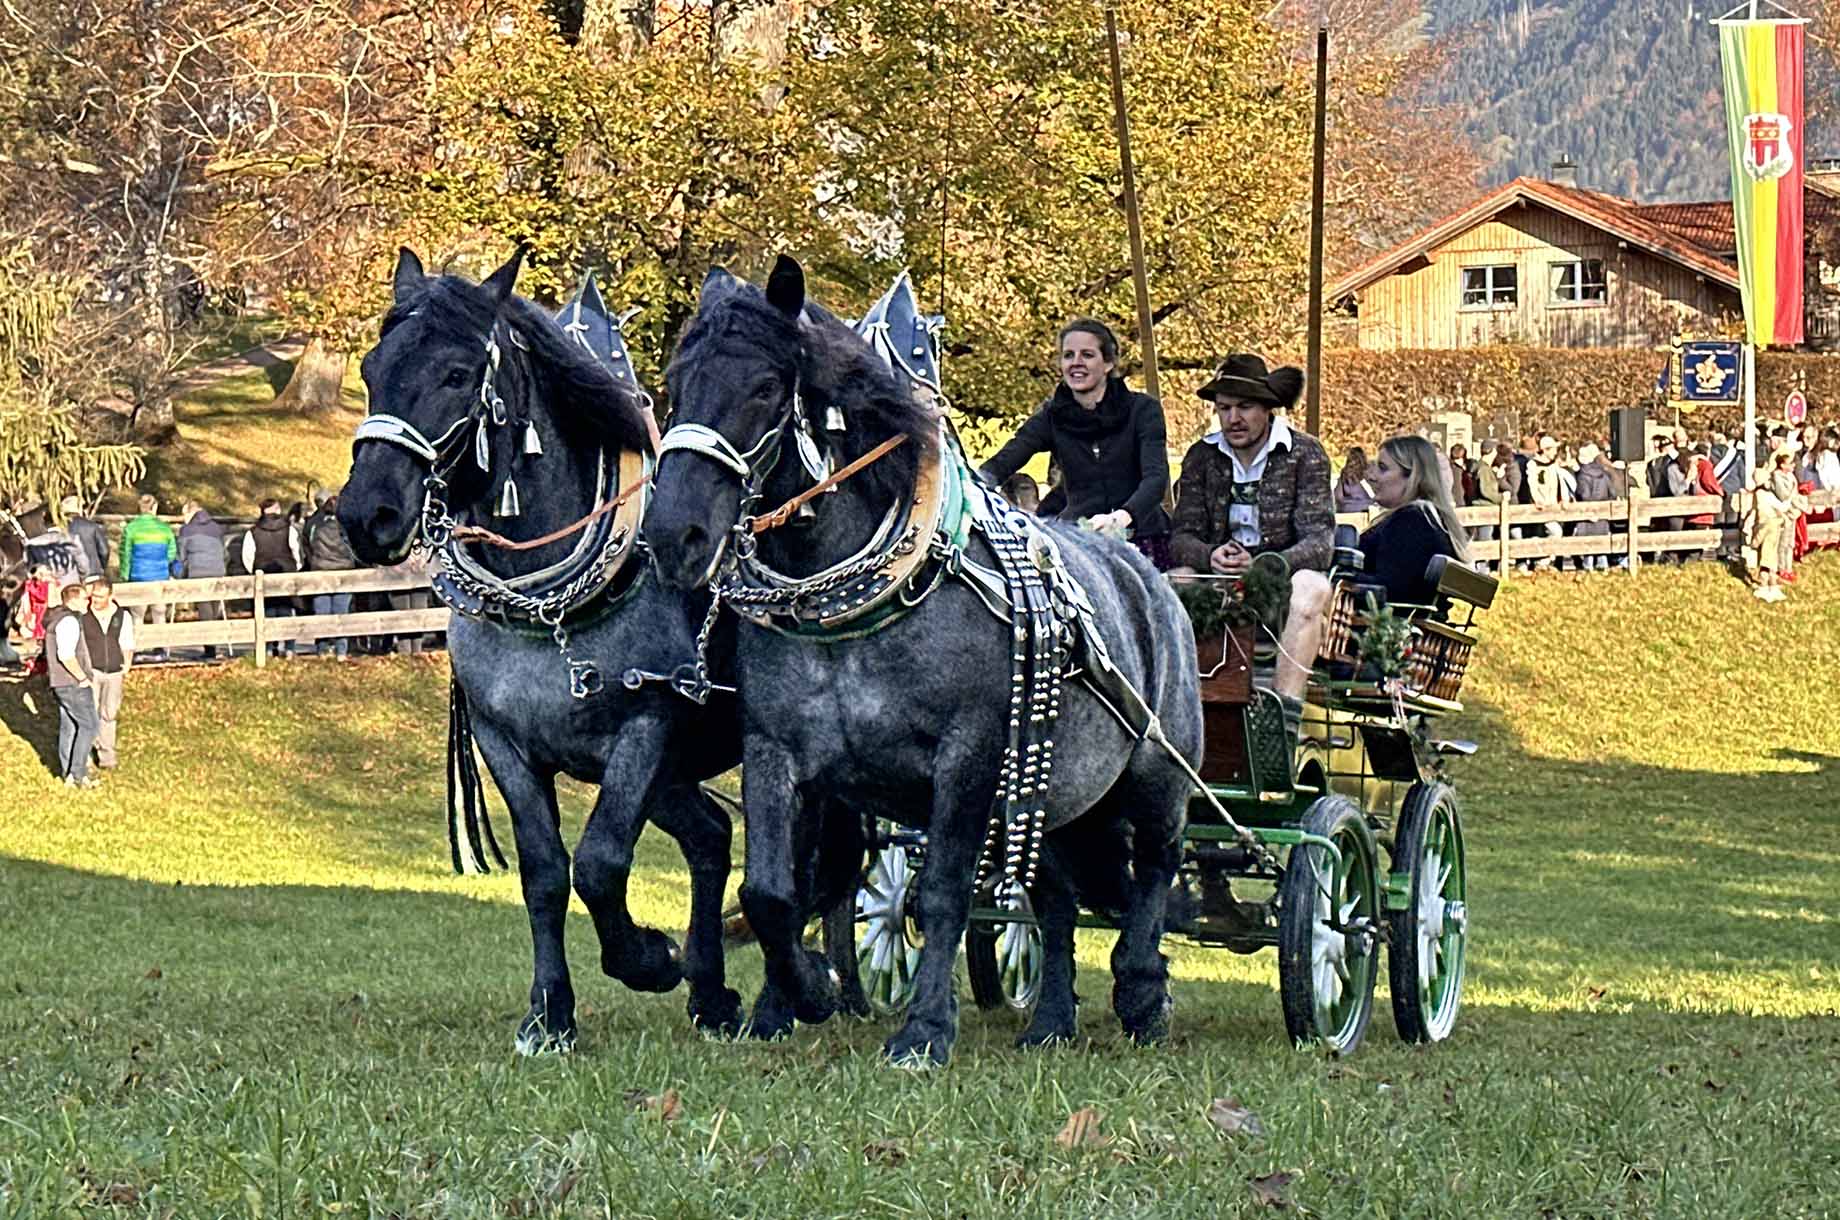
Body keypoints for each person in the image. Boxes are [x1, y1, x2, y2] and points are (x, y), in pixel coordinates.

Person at [1169, 353, 1335, 716]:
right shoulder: (1202, 456)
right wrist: (1209, 555)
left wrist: (1264, 563)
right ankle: (1184, 705)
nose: (1233, 419)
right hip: (1218, 580)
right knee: (1173, 581)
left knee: (1313, 587)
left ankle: (1281, 712)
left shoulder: (1304, 454)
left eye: (1244, 407)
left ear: (1267, 409)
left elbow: (1319, 542)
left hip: (1282, 584)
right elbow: (1182, 536)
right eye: (1224, 408)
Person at [978, 318, 1173, 568]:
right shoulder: (1051, 415)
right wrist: (970, 483)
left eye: (1087, 355)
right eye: (1068, 355)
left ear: (1108, 363)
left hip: (1143, 535)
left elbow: (1155, 479)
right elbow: (1005, 460)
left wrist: (1122, 518)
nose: (1076, 363)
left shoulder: (1143, 409)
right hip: (1079, 541)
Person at [1354, 436, 1470, 606]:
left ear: (1413, 476)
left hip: (1384, 627)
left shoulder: (1412, 522)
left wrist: (1335, 575)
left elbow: (1392, 590)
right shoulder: (1427, 520)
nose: (1372, 476)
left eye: (1383, 468)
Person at [43, 581, 101, 787]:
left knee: (70, 727)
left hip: (60, 682)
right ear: (74, 600)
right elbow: (66, 655)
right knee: (90, 725)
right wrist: (82, 678)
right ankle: (77, 774)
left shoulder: (57, 618)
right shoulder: (69, 622)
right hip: (71, 683)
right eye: (85, 598)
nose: (89, 601)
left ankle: (68, 772)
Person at [81, 579, 134, 770]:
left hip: (114, 670)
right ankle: (85, 756)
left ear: (110, 597)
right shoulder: (84, 615)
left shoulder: (122, 616)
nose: (95, 600)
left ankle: (107, 757)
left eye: (100, 597)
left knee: (109, 714)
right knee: (88, 713)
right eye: (93, 596)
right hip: (92, 671)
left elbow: (127, 641)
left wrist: (126, 664)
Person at [303, 487, 361, 659]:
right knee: (341, 612)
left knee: (321, 611)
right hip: (344, 571)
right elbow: (355, 545)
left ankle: (322, 649)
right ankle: (341, 650)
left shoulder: (314, 523)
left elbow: (306, 543)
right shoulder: (348, 522)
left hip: (320, 570)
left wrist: (312, 560)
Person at [242, 498, 302, 656]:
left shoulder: (253, 531)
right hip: (286, 572)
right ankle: (289, 648)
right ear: (277, 509)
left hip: (263, 574)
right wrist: (296, 568)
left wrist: (254, 572)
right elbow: (297, 551)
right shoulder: (289, 529)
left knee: (267, 612)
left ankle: (268, 647)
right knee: (286, 611)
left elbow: (247, 556)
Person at [120, 493, 177, 659]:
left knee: (137, 615)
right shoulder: (164, 528)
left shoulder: (131, 528)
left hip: (138, 576)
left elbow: (125, 554)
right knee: (159, 613)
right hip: (159, 577)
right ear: (155, 507)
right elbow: (171, 554)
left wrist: (125, 575)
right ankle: (160, 648)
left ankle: (137, 649)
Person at [177, 499, 228, 659]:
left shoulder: (187, 530)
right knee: (213, 608)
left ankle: (210, 649)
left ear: (190, 512)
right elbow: (224, 552)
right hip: (218, 570)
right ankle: (214, 645)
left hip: (199, 572)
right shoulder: (216, 527)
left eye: (184, 514)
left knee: (205, 610)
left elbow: (181, 555)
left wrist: (179, 574)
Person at [1525, 435, 1574, 571]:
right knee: (1554, 532)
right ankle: (1543, 561)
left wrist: (1565, 498)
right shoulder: (1533, 465)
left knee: (1547, 533)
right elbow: (1532, 485)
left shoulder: (1554, 465)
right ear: (1545, 450)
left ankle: (1544, 562)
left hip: (1555, 506)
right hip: (1542, 507)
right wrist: (1537, 500)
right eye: (1552, 449)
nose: (1555, 452)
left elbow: (1561, 483)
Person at [1571, 442, 1617, 571]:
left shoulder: (1582, 475)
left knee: (1588, 546)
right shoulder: (1604, 473)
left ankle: (1588, 569)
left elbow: (1584, 494)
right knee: (1601, 545)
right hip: (1603, 513)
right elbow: (1612, 493)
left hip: (1587, 515)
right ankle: (1603, 568)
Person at [60, 495, 110, 580]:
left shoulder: (60, 528)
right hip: (93, 572)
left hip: (67, 576)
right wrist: (102, 567)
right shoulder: (92, 526)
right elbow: (104, 551)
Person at [1332, 447, 1375, 514]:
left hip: (1362, 509)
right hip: (1357, 509)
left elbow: (1338, 497)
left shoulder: (1367, 472)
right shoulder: (1345, 474)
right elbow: (1338, 497)